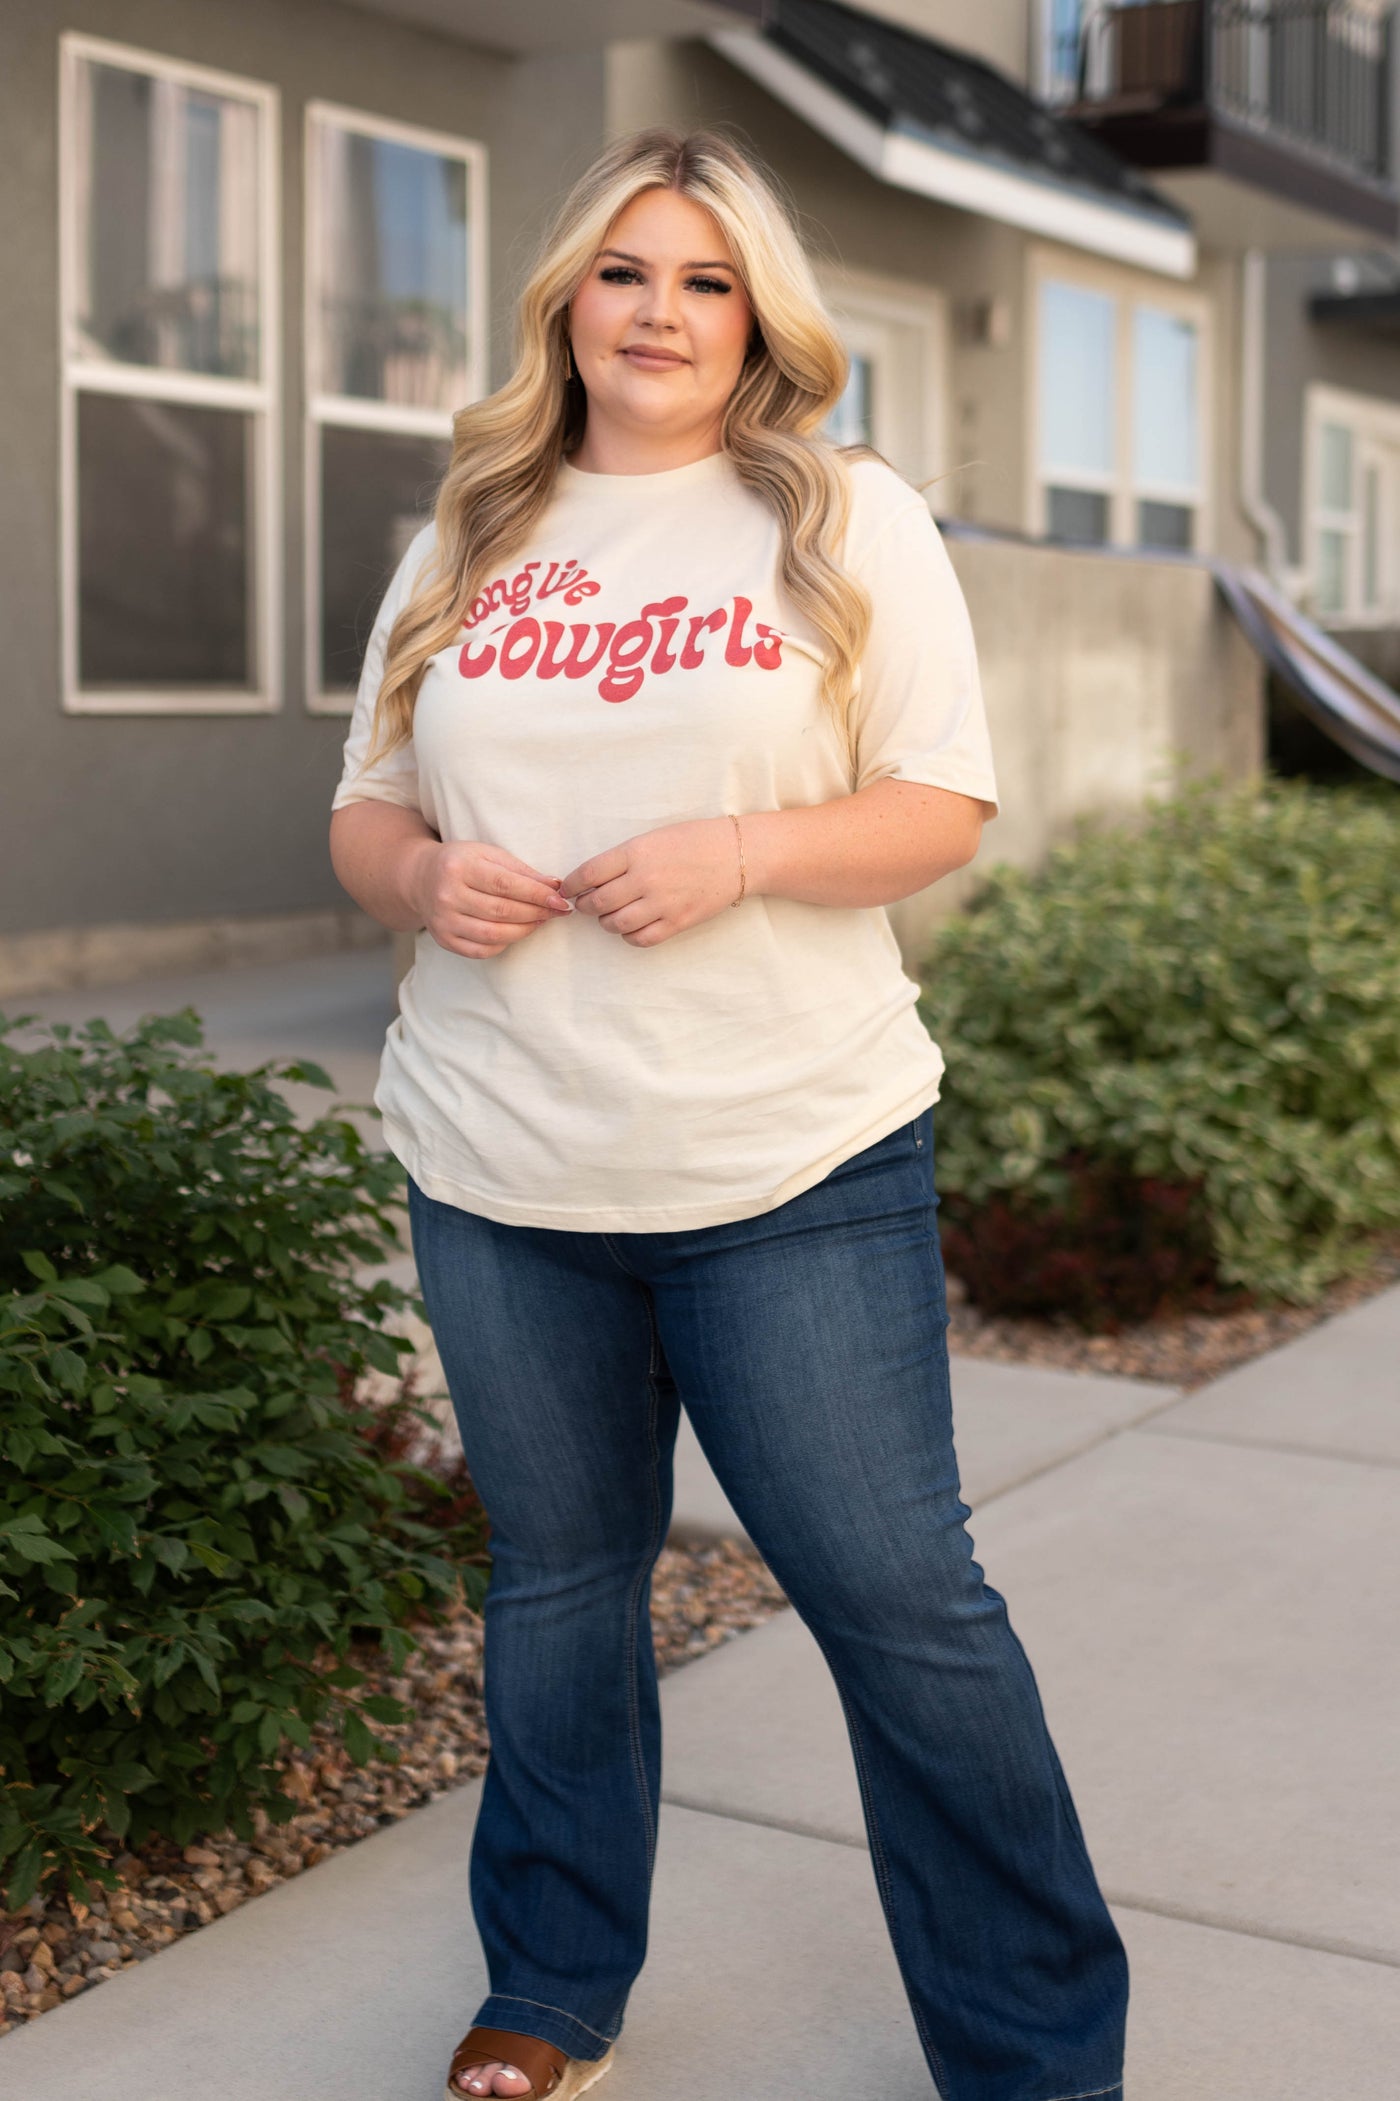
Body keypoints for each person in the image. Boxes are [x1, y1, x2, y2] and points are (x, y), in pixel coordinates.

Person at [328, 126, 1129, 2101]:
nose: (658, 311)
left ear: (756, 311)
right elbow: (364, 808)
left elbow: (939, 803)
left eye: (700, 278)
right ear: (565, 306)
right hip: (501, 1157)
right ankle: (553, 1979)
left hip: (791, 1159)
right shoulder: (467, 535)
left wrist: (748, 851)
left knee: (899, 1599)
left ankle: (1035, 2056)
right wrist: (427, 884)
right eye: (622, 272)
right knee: (562, 1584)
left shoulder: (844, 517)